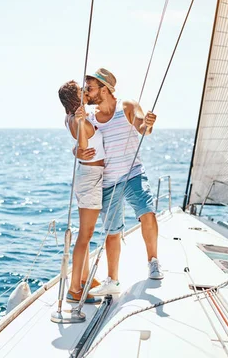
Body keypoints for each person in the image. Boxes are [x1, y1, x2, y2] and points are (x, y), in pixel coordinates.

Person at [76, 68, 163, 296]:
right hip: (108, 181)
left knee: (148, 213)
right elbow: (81, 145)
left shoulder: (127, 106)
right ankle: (113, 281)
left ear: (104, 89)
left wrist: (149, 124)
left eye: (90, 88)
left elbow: (142, 126)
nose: (87, 93)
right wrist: (78, 152)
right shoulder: (91, 119)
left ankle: (153, 261)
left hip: (133, 173)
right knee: (112, 232)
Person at [58, 80, 105, 303]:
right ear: (74, 98)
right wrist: (82, 123)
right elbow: (84, 147)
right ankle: (74, 289)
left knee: (84, 235)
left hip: (85, 176)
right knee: (85, 236)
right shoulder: (79, 120)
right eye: (81, 91)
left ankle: (84, 279)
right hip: (91, 178)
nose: (85, 92)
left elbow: (79, 146)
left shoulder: (70, 118)